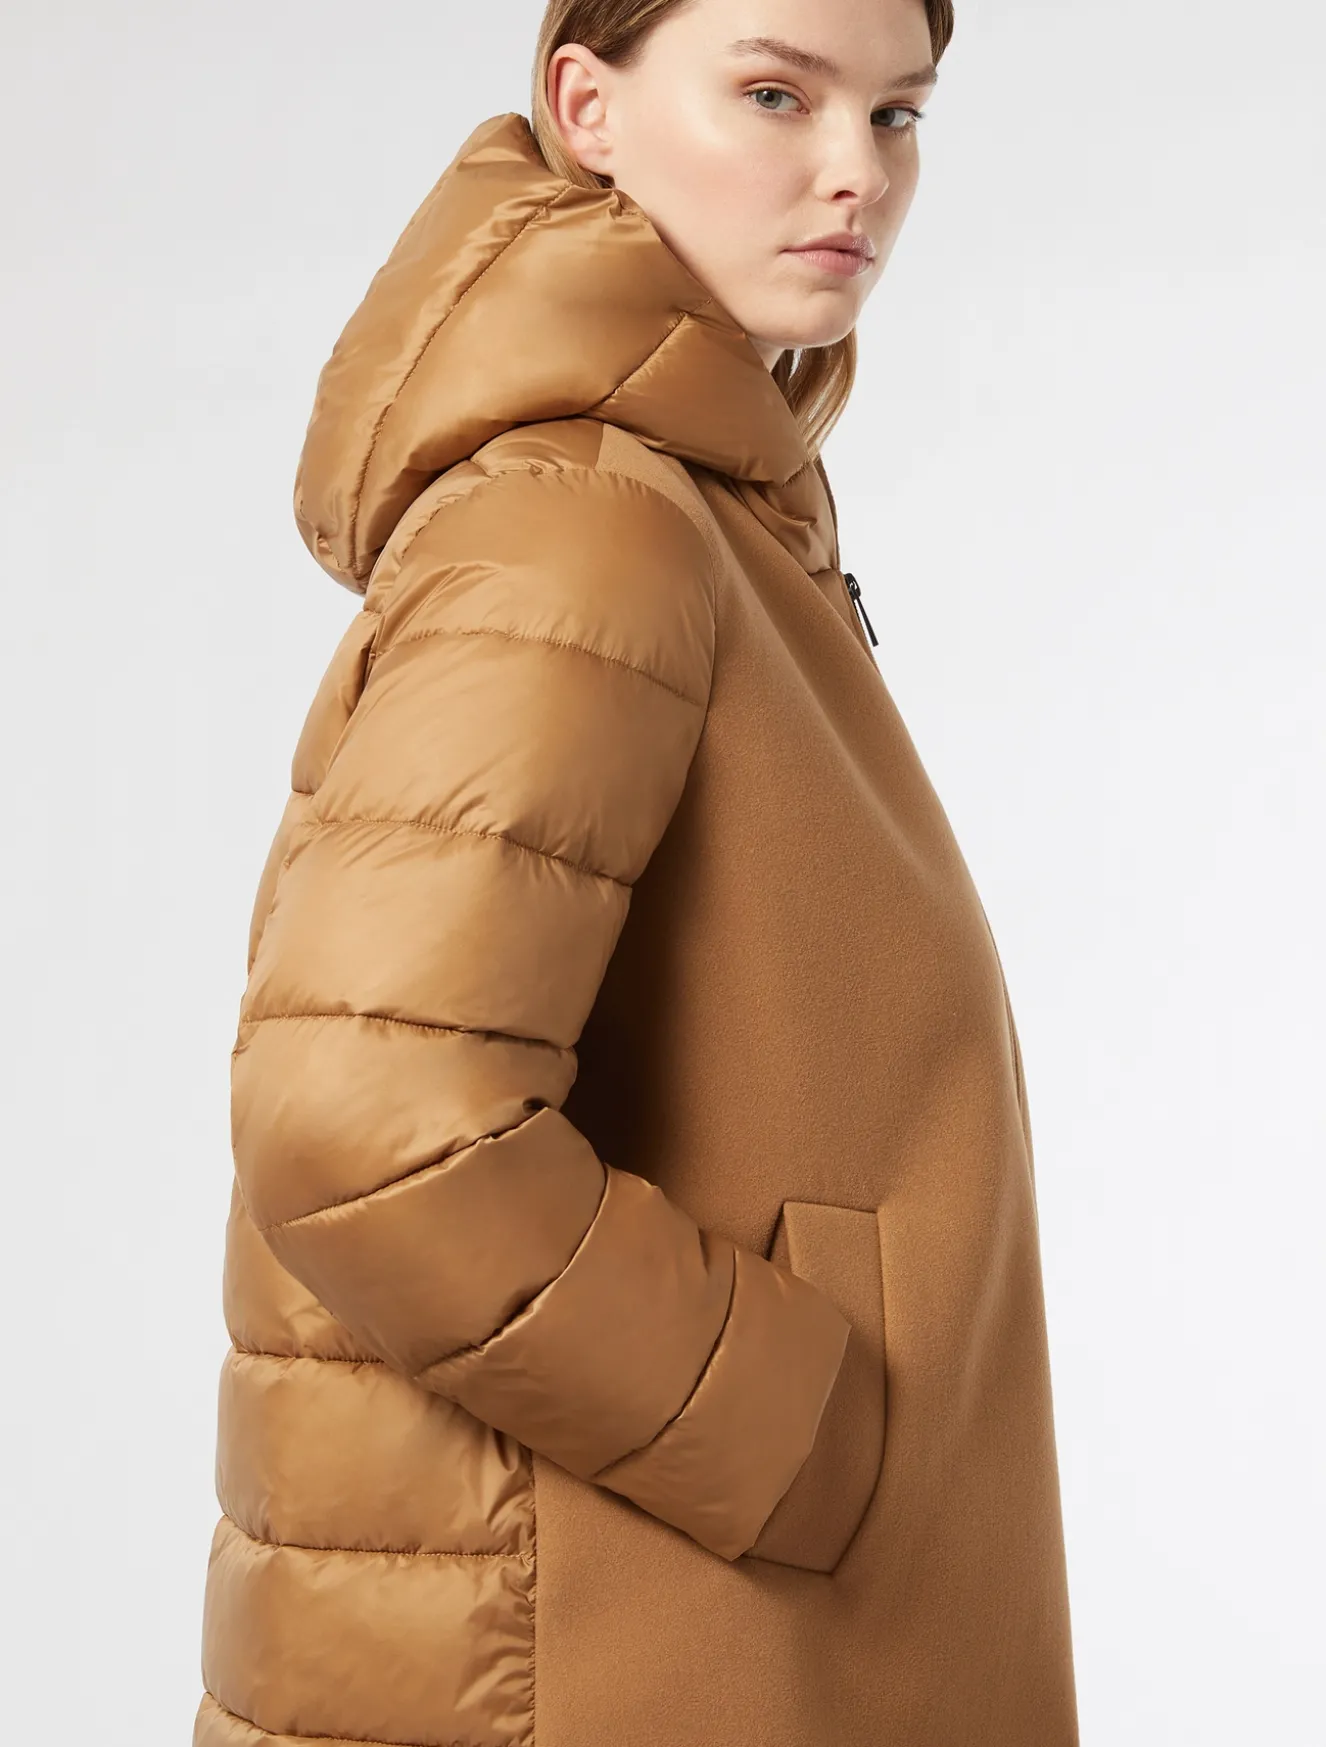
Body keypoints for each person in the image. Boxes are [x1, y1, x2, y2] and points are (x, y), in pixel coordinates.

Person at [193, 1, 1080, 1743]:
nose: (854, 172)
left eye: (897, 115)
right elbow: (361, 1122)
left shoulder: (707, 502)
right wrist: (794, 1426)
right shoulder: (582, 525)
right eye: (775, 94)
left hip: (671, 1608)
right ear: (584, 106)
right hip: (609, 1628)